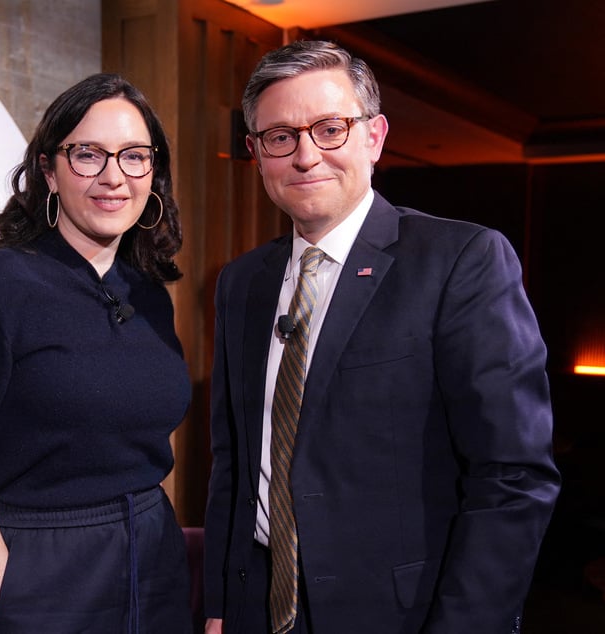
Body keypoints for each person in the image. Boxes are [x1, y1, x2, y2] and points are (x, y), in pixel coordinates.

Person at [203, 40, 560, 634]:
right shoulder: (242, 283)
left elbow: (513, 477)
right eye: (280, 137)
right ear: (256, 153)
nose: (306, 155)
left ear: (374, 136)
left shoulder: (460, 262)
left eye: (330, 128)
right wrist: (218, 607)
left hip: (399, 616)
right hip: (255, 607)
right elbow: (233, 462)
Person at [0, 73, 193, 633]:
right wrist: (18, 600)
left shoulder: (147, 291)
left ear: (153, 172)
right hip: (33, 563)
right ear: (49, 169)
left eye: (135, 156)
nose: (113, 177)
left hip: (152, 560)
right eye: (88, 154)